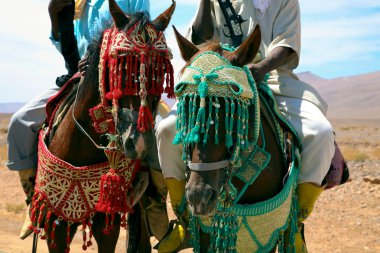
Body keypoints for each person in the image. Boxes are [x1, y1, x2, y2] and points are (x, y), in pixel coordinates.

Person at [156, 0, 335, 252]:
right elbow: (198, 40)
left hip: (272, 78)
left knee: (320, 133)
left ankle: (295, 222)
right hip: (218, 80)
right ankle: (184, 218)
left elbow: (287, 44)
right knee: (166, 130)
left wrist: (261, 67)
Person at [6, 0, 152, 240]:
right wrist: (54, 16)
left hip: (122, 80)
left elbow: (141, 31)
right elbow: (65, 42)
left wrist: (104, 55)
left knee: (159, 131)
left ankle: (156, 208)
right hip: (78, 77)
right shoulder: (78, 2)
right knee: (19, 122)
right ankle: (34, 199)